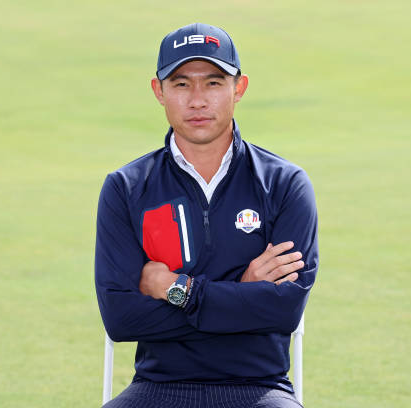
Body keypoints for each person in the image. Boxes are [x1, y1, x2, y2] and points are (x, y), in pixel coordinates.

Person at [95, 22, 318, 408]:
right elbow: (122, 318)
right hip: (158, 386)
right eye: (181, 84)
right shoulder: (126, 187)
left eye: (214, 83)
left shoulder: (285, 183)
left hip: (260, 388)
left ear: (239, 88)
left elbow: (282, 310)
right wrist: (244, 291)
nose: (197, 100)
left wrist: (175, 289)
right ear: (158, 92)